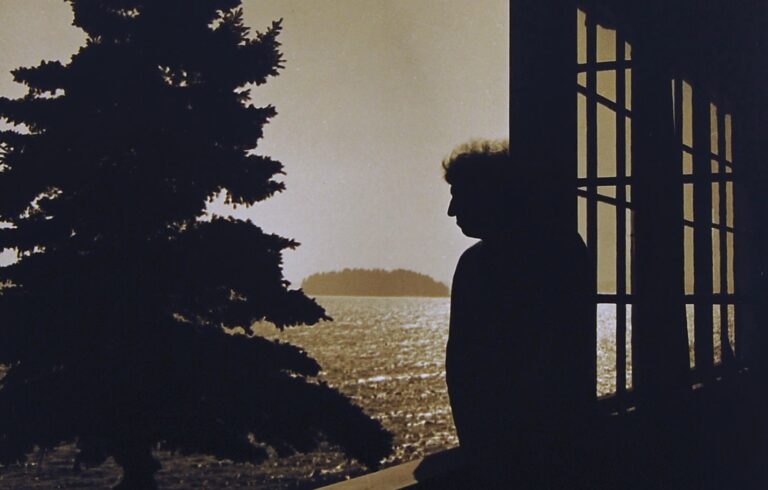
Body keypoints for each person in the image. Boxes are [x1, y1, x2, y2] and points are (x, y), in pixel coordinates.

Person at [443, 139, 595, 488]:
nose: (451, 210)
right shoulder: (566, 249)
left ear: (487, 193)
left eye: (458, 194)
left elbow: (465, 370)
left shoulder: (476, 266)